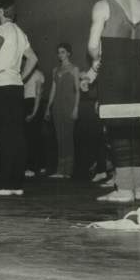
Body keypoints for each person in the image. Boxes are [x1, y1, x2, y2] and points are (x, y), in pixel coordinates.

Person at [87, 0, 140, 203]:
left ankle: (124, 190)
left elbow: (92, 45)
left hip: (113, 72)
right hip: (138, 74)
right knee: (134, 129)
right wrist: (131, 60)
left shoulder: (103, 5)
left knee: (117, 128)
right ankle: (139, 188)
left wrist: (99, 61)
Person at [0, 0, 38, 196]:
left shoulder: (0, 29)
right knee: (17, 135)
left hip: (2, 85)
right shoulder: (19, 31)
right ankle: (16, 183)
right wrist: (21, 77)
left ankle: (3, 184)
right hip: (16, 87)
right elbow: (33, 58)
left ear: (0, 11)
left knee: (4, 135)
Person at [44, 42, 80, 179]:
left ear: (69, 53)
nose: (60, 55)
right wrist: (48, 108)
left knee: (68, 137)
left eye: (63, 52)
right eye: (59, 52)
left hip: (69, 105)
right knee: (59, 137)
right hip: (57, 107)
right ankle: (60, 170)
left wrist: (76, 108)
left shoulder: (74, 69)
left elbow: (77, 90)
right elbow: (53, 90)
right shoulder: (55, 70)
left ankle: (68, 171)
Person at [22, 65, 46, 177]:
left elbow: (39, 94)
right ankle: (38, 165)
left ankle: (33, 167)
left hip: (34, 105)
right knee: (29, 137)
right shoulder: (24, 73)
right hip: (26, 104)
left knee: (33, 136)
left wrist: (34, 112)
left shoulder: (38, 74)